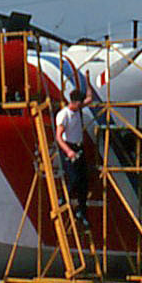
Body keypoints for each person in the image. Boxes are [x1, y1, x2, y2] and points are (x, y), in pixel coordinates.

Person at [55, 89, 93, 228]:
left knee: (84, 182)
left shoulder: (78, 109)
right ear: (75, 102)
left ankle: (81, 212)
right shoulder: (64, 115)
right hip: (68, 146)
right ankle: (64, 198)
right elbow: (59, 137)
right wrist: (69, 151)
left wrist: (88, 82)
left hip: (78, 147)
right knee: (74, 178)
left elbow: (89, 98)